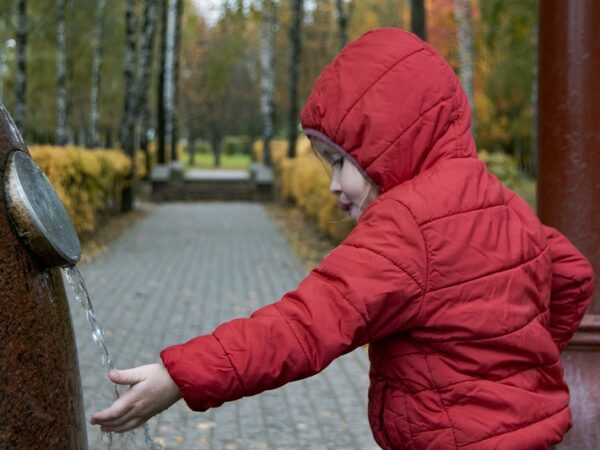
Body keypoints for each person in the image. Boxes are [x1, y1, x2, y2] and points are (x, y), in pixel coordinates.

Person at [91, 28, 594, 449]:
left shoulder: (405, 225)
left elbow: (302, 327)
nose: (333, 184)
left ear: (390, 139)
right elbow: (572, 274)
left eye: (339, 161)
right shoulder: (503, 203)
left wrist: (181, 375)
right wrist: (524, 361)